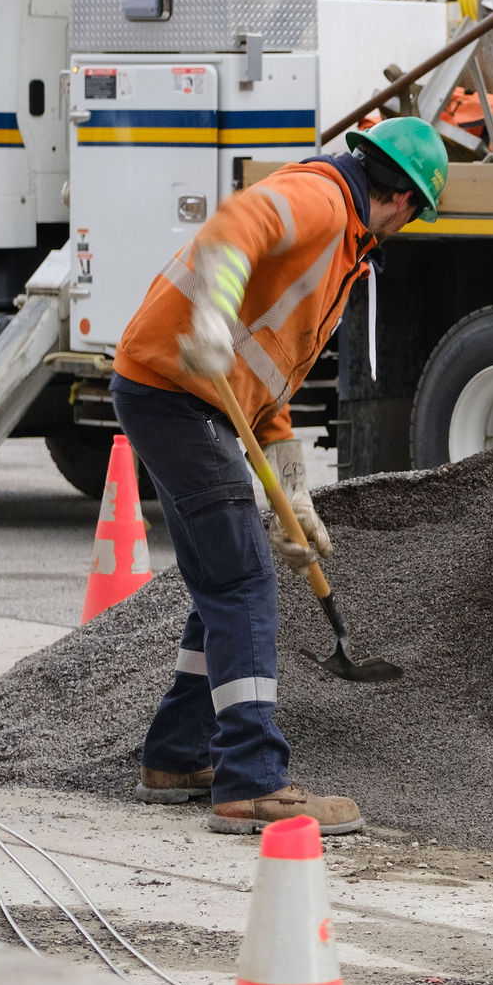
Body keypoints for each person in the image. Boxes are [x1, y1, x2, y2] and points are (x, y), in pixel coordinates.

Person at [111, 117, 447, 835]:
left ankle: (175, 755)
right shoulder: (326, 201)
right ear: (403, 202)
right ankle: (252, 780)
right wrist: (211, 308)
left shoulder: (345, 250)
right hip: (177, 388)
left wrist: (292, 487)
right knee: (243, 581)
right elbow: (241, 220)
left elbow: (267, 378)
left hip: (174, 390)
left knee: (218, 584)